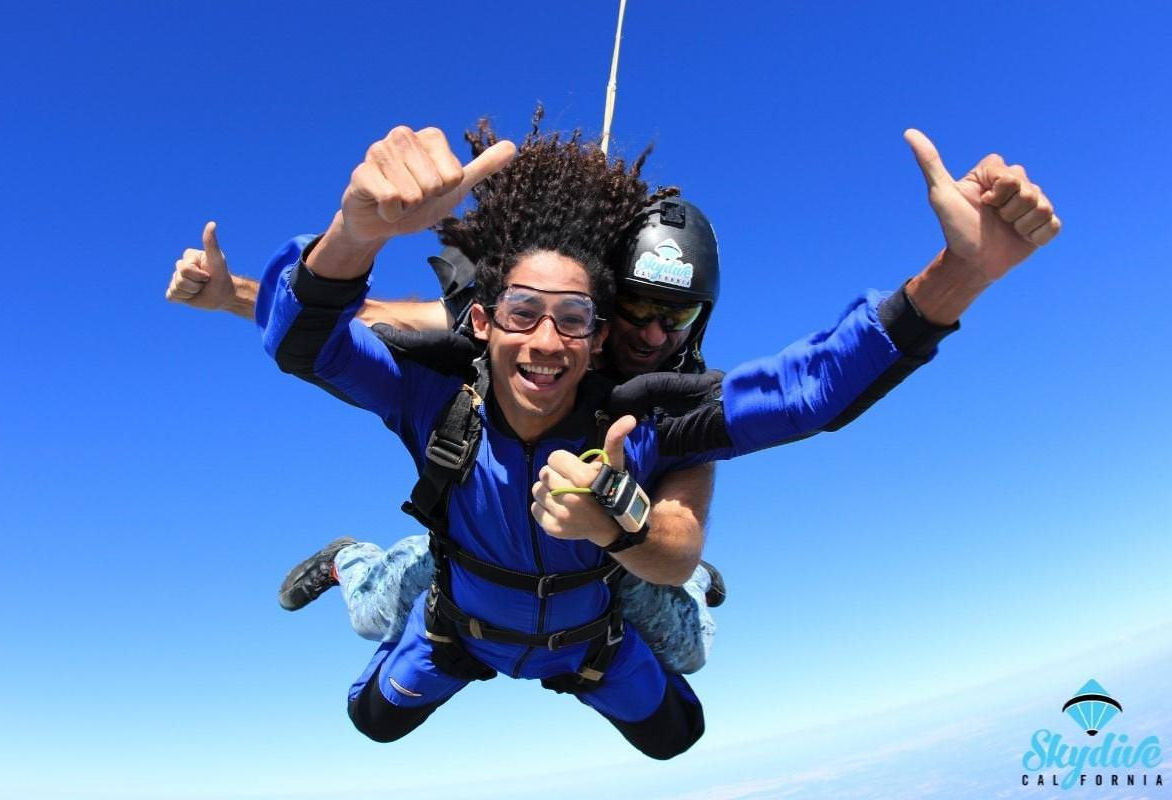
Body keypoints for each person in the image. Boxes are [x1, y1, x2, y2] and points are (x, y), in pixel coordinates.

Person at [253, 116, 1059, 758]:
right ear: (481, 321)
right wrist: (353, 235)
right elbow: (305, 342)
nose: (545, 340)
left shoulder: (650, 420)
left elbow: (810, 391)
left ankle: (688, 593)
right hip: (461, 628)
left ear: (594, 336)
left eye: (573, 318)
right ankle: (350, 559)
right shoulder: (435, 398)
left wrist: (963, 273)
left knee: (677, 737)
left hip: (585, 643)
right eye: (522, 312)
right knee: (374, 720)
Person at [166, 140, 727, 672]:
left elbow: (676, 537)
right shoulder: (517, 324)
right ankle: (348, 560)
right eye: (636, 305)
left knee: (688, 647)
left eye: (675, 316)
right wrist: (229, 295)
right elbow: (367, 320)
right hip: (476, 537)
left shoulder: (681, 402)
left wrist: (635, 537)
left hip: (611, 548)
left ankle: (698, 580)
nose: (653, 335)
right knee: (374, 612)